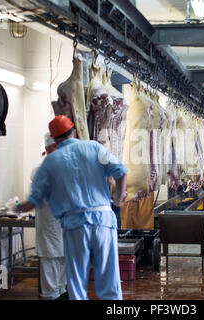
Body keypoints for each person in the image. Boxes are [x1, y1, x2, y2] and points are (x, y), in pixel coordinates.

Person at [15, 115, 128, 300]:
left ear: (55, 139)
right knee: (109, 278)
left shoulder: (50, 162)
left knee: (76, 280)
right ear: (74, 131)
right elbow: (121, 172)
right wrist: (118, 200)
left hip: (75, 225)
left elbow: (33, 200)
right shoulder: (93, 147)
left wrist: (19, 207)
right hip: (103, 221)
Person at [33, 133, 67, 300]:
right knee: (50, 264)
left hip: (64, 227)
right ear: (47, 149)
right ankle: (50, 296)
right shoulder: (40, 170)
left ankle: (59, 292)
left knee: (62, 266)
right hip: (49, 227)